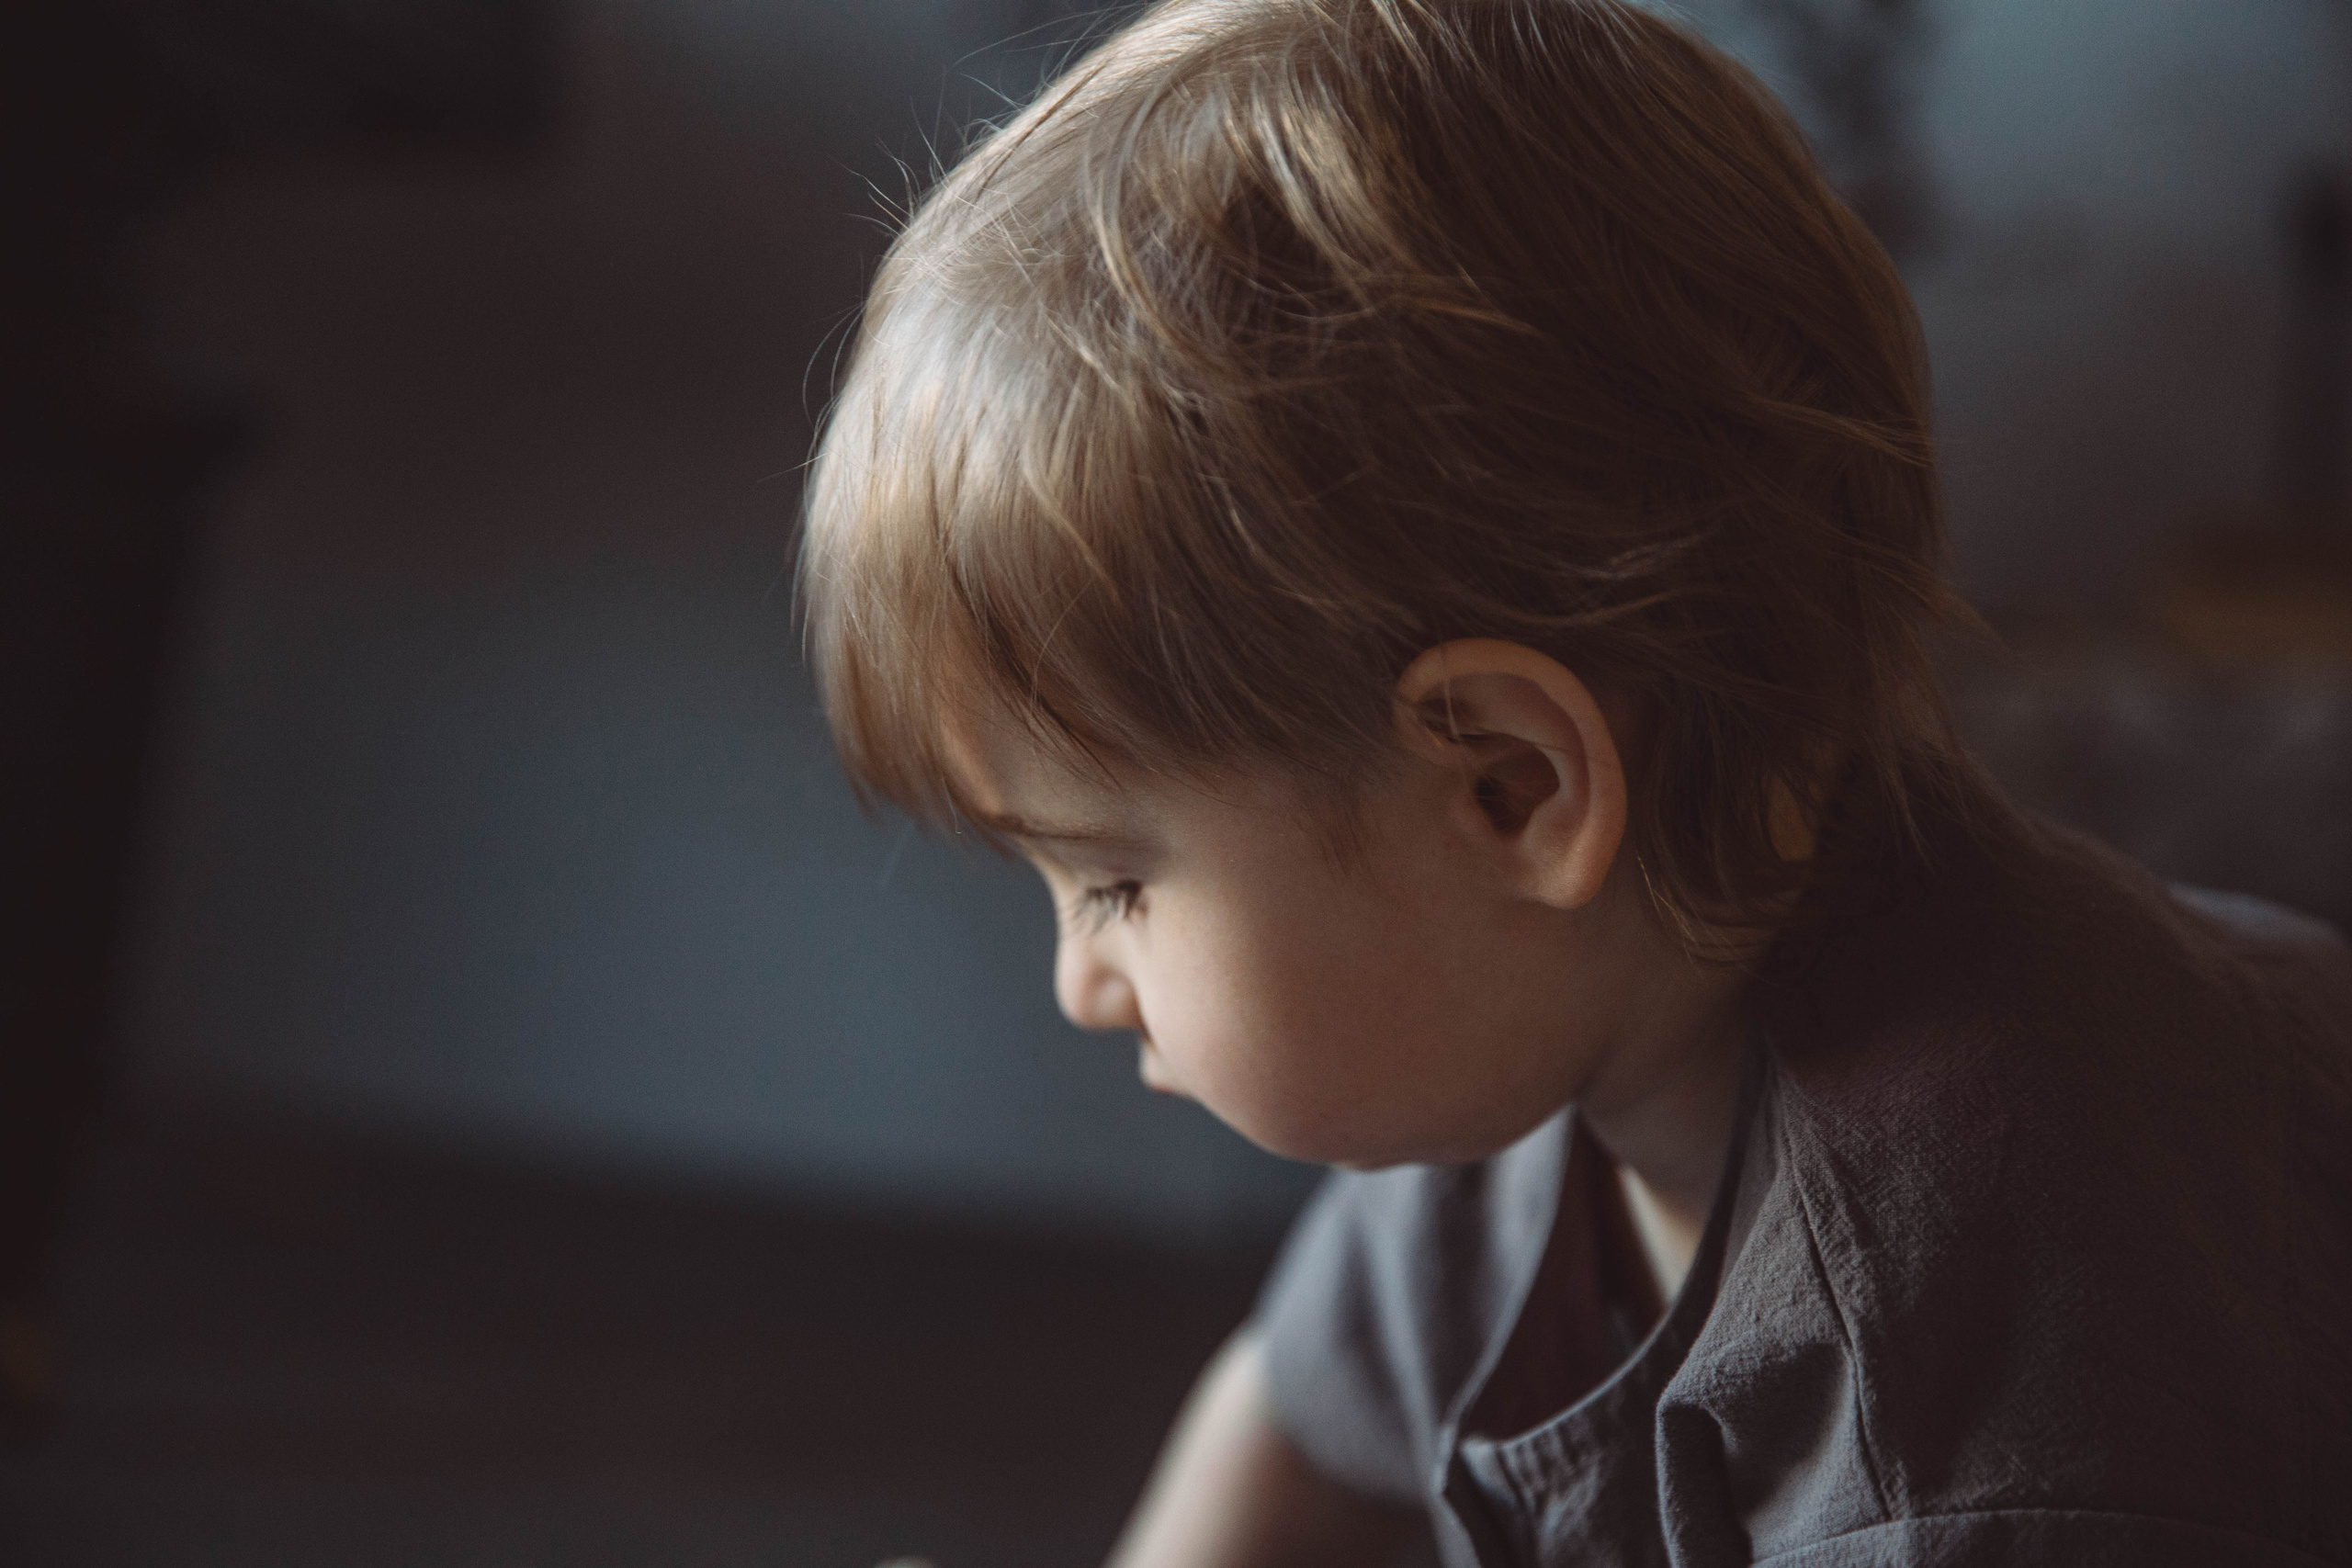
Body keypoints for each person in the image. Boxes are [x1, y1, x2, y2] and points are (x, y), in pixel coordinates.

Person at [796, 1, 2352, 1562]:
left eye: (1117, 880)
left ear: (1511, 789)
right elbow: (1294, 1411)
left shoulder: (1963, 1389)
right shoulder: (1541, 1018)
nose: (1082, 982)